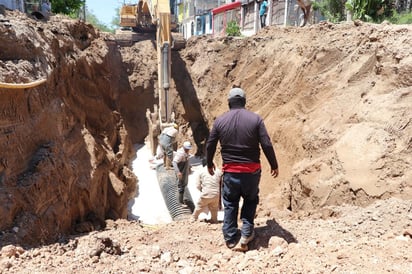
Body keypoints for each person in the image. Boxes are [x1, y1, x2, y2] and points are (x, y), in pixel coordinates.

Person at [206, 87, 279, 251]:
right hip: (252, 171)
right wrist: (273, 164)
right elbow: (266, 143)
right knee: (250, 199)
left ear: (229, 103)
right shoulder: (256, 119)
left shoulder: (220, 121)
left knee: (231, 202)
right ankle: (246, 233)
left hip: (231, 171)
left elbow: (210, 144)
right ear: (244, 102)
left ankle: (231, 238)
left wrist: (209, 162)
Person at [192, 159, 223, 223]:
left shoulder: (201, 171)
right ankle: (214, 220)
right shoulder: (219, 172)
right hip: (216, 194)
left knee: (199, 206)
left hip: (205, 194)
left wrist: (202, 190)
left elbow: (198, 185)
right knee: (214, 209)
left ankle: (193, 218)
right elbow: (221, 184)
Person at [172, 141, 192, 207]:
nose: (187, 150)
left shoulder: (186, 152)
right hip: (181, 172)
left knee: (183, 185)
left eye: (188, 149)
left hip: (184, 172)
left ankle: (181, 199)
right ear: (184, 147)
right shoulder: (180, 153)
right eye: (186, 149)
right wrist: (178, 172)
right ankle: (180, 202)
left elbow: (187, 160)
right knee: (180, 187)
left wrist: (189, 168)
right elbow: (174, 162)